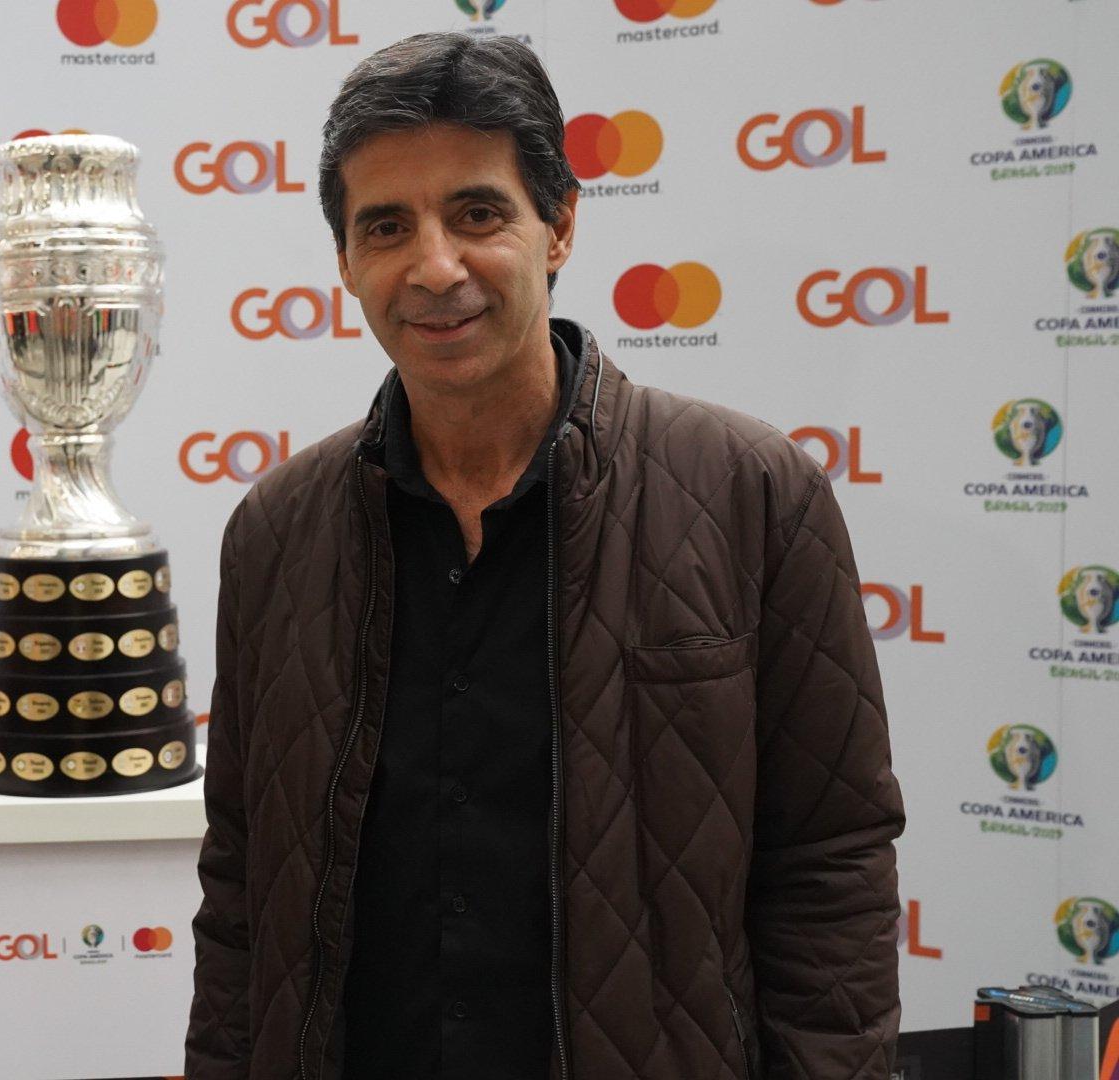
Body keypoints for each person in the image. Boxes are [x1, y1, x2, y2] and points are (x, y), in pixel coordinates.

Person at [187, 33, 904, 1080]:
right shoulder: (275, 533)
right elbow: (244, 886)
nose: (436, 267)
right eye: (387, 227)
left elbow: (829, 864)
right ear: (345, 261)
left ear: (559, 224)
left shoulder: (753, 495)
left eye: (477, 213)